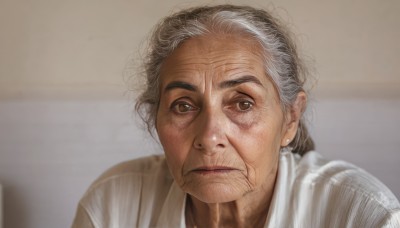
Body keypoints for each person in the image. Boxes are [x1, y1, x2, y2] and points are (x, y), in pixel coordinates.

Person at [72, 4, 400, 227]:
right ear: (155, 119)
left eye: (242, 103)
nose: (209, 137)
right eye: (183, 105)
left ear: (290, 119)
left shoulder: (363, 215)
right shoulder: (113, 208)